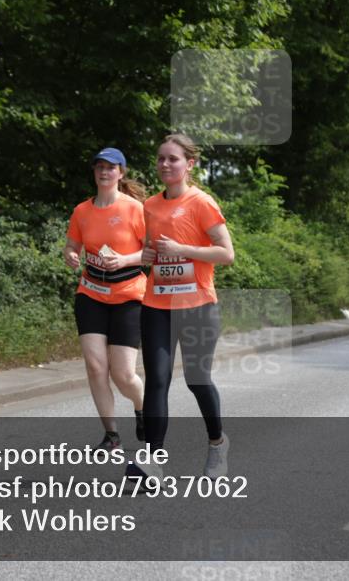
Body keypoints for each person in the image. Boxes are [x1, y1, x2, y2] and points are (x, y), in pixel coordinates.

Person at [132, 134, 235, 482]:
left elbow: (226, 253)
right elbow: (151, 251)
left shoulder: (201, 202)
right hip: (157, 303)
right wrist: (146, 256)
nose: (165, 165)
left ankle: (218, 443)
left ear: (189, 165)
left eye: (173, 159)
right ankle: (153, 461)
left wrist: (183, 249)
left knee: (197, 379)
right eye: (161, 158)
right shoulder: (149, 205)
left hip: (198, 305)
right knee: (156, 381)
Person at [63, 148, 148, 452]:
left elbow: (150, 252)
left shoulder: (135, 209)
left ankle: (142, 408)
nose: (104, 172)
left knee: (123, 374)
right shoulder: (82, 211)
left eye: (111, 168)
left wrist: (125, 260)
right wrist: (72, 255)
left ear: (121, 173)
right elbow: (71, 245)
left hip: (129, 295)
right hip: (91, 293)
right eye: (99, 167)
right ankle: (111, 435)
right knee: (96, 366)